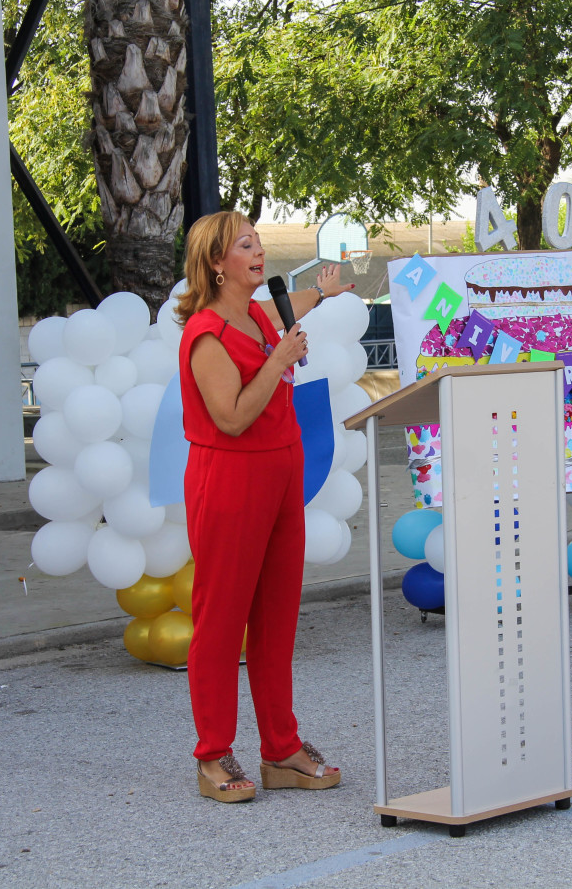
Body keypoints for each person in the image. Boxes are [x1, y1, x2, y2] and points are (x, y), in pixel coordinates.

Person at [174, 211, 355, 803]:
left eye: (258, 241)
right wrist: (279, 360)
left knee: (277, 618)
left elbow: (291, 304)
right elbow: (230, 418)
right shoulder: (206, 334)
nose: (259, 251)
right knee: (223, 620)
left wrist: (324, 293)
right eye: (244, 245)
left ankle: (281, 749)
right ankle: (213, 754)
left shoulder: (257, 313)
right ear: (216, 264)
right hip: (229, 480)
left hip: (281, 474)